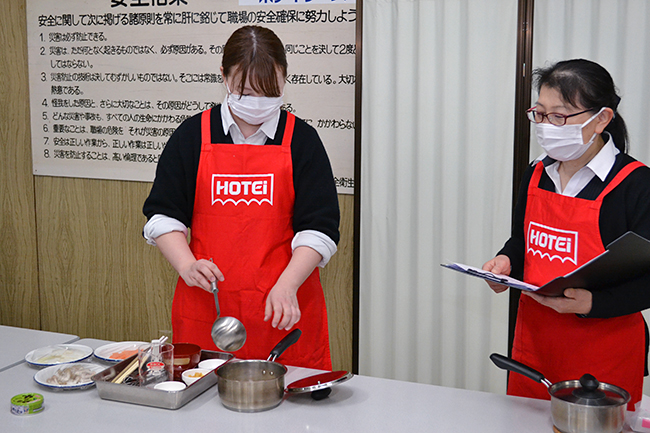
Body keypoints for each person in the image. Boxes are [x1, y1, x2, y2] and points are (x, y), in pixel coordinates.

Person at [142, 25, 339, 370]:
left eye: (270, 91)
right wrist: (186, 264)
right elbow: (163, 216)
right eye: (246, 91)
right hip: (209, 308)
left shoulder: (302, 140)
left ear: (284, 79)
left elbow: (320, 228)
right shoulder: (191, 136)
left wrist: (288, 284)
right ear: (223, 76)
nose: (258, 102)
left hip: (283, 310)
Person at [482, 59, 650, 410]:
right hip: (536, 341)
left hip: (604, 347)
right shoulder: (536, 172)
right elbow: (521, 240)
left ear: (602, 118)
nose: (546, 126)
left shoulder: (636, 185)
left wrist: (594, 303)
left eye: (560, 116)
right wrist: (505, 262)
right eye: (540, 114)